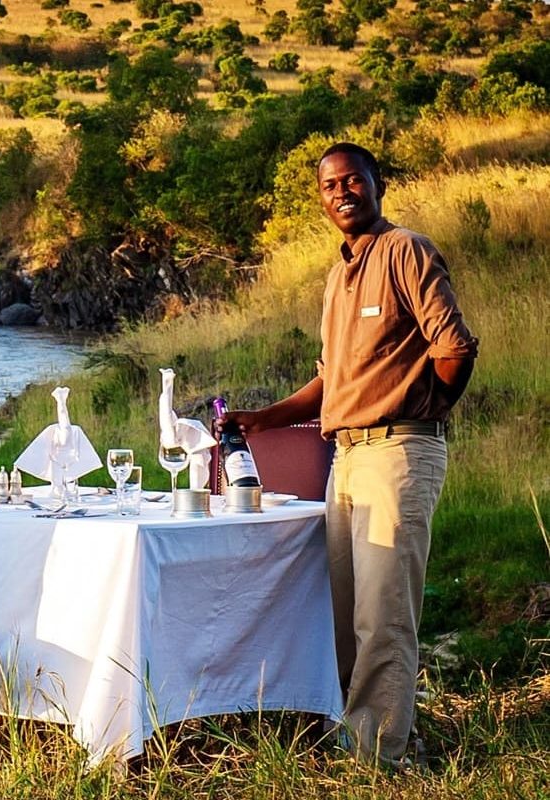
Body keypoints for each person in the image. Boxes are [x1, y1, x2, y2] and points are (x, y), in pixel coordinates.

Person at [220, 142, 478, 765]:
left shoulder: (405, 251)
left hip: (398, 453)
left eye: (351, 180)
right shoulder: (339, 274)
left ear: (375, 183)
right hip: (346, 459)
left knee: (383, 616)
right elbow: (333, 380)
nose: (340, 192)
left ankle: (379, 758)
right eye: (329, 185)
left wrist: (423, 409)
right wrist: (265, 418)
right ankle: (360, 735)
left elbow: (455, 349)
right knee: (340, 613)